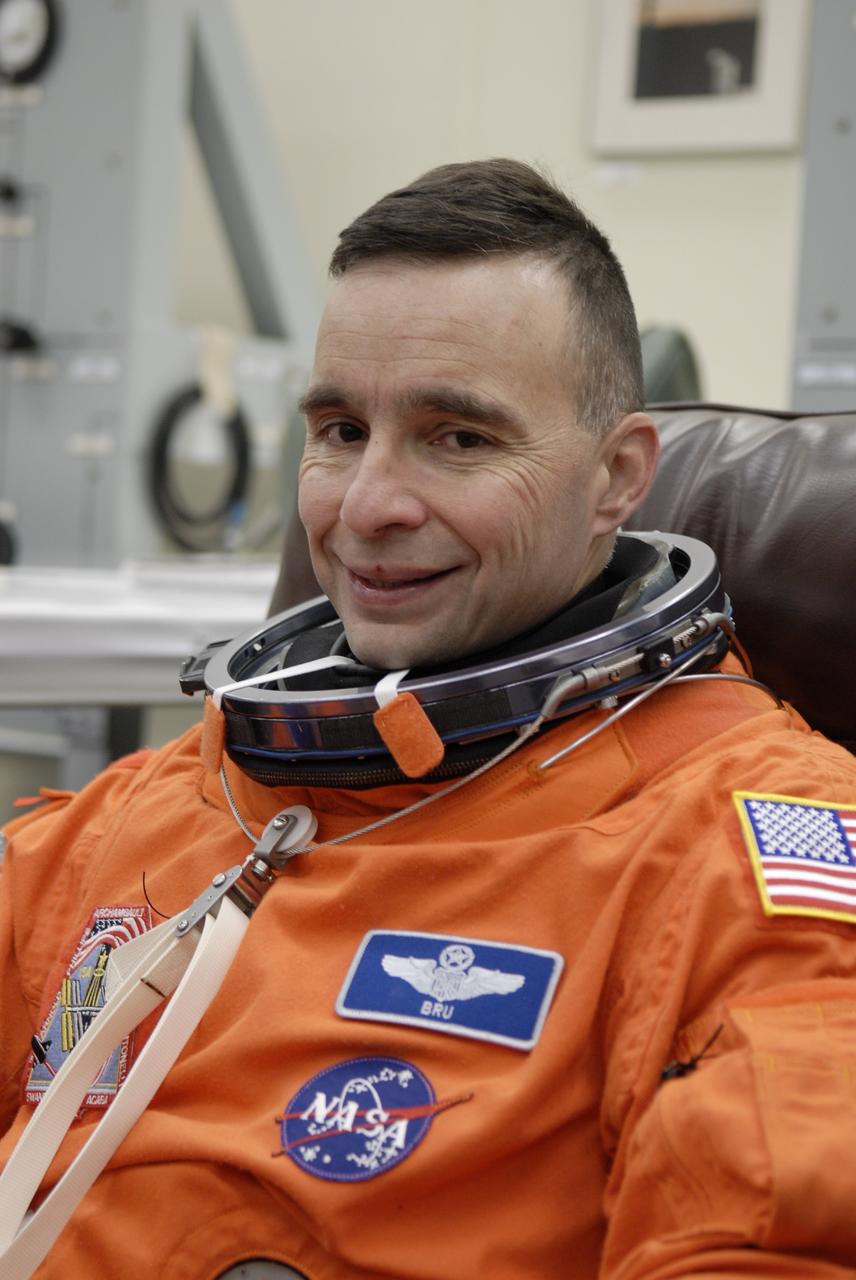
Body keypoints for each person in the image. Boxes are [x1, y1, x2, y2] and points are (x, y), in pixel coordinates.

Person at [2, 158, 856, 1280]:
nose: (365, 508)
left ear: (616, 476)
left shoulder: (741, 854)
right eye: (342, 429)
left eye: (458, 437)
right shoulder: (167, 803)